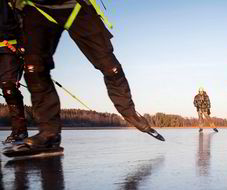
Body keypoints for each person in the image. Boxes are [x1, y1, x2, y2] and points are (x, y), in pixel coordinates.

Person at [12, 0, 163, 148]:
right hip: (35, 8)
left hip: (76, 6)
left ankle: (130, 113)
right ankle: (49, 133)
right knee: (34, 69)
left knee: (110, 67)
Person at [0, 0, 28, 144]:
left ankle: (20, 131)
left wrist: (23, 46)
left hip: (9, 49)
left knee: (9, 88)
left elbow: (23, 19)